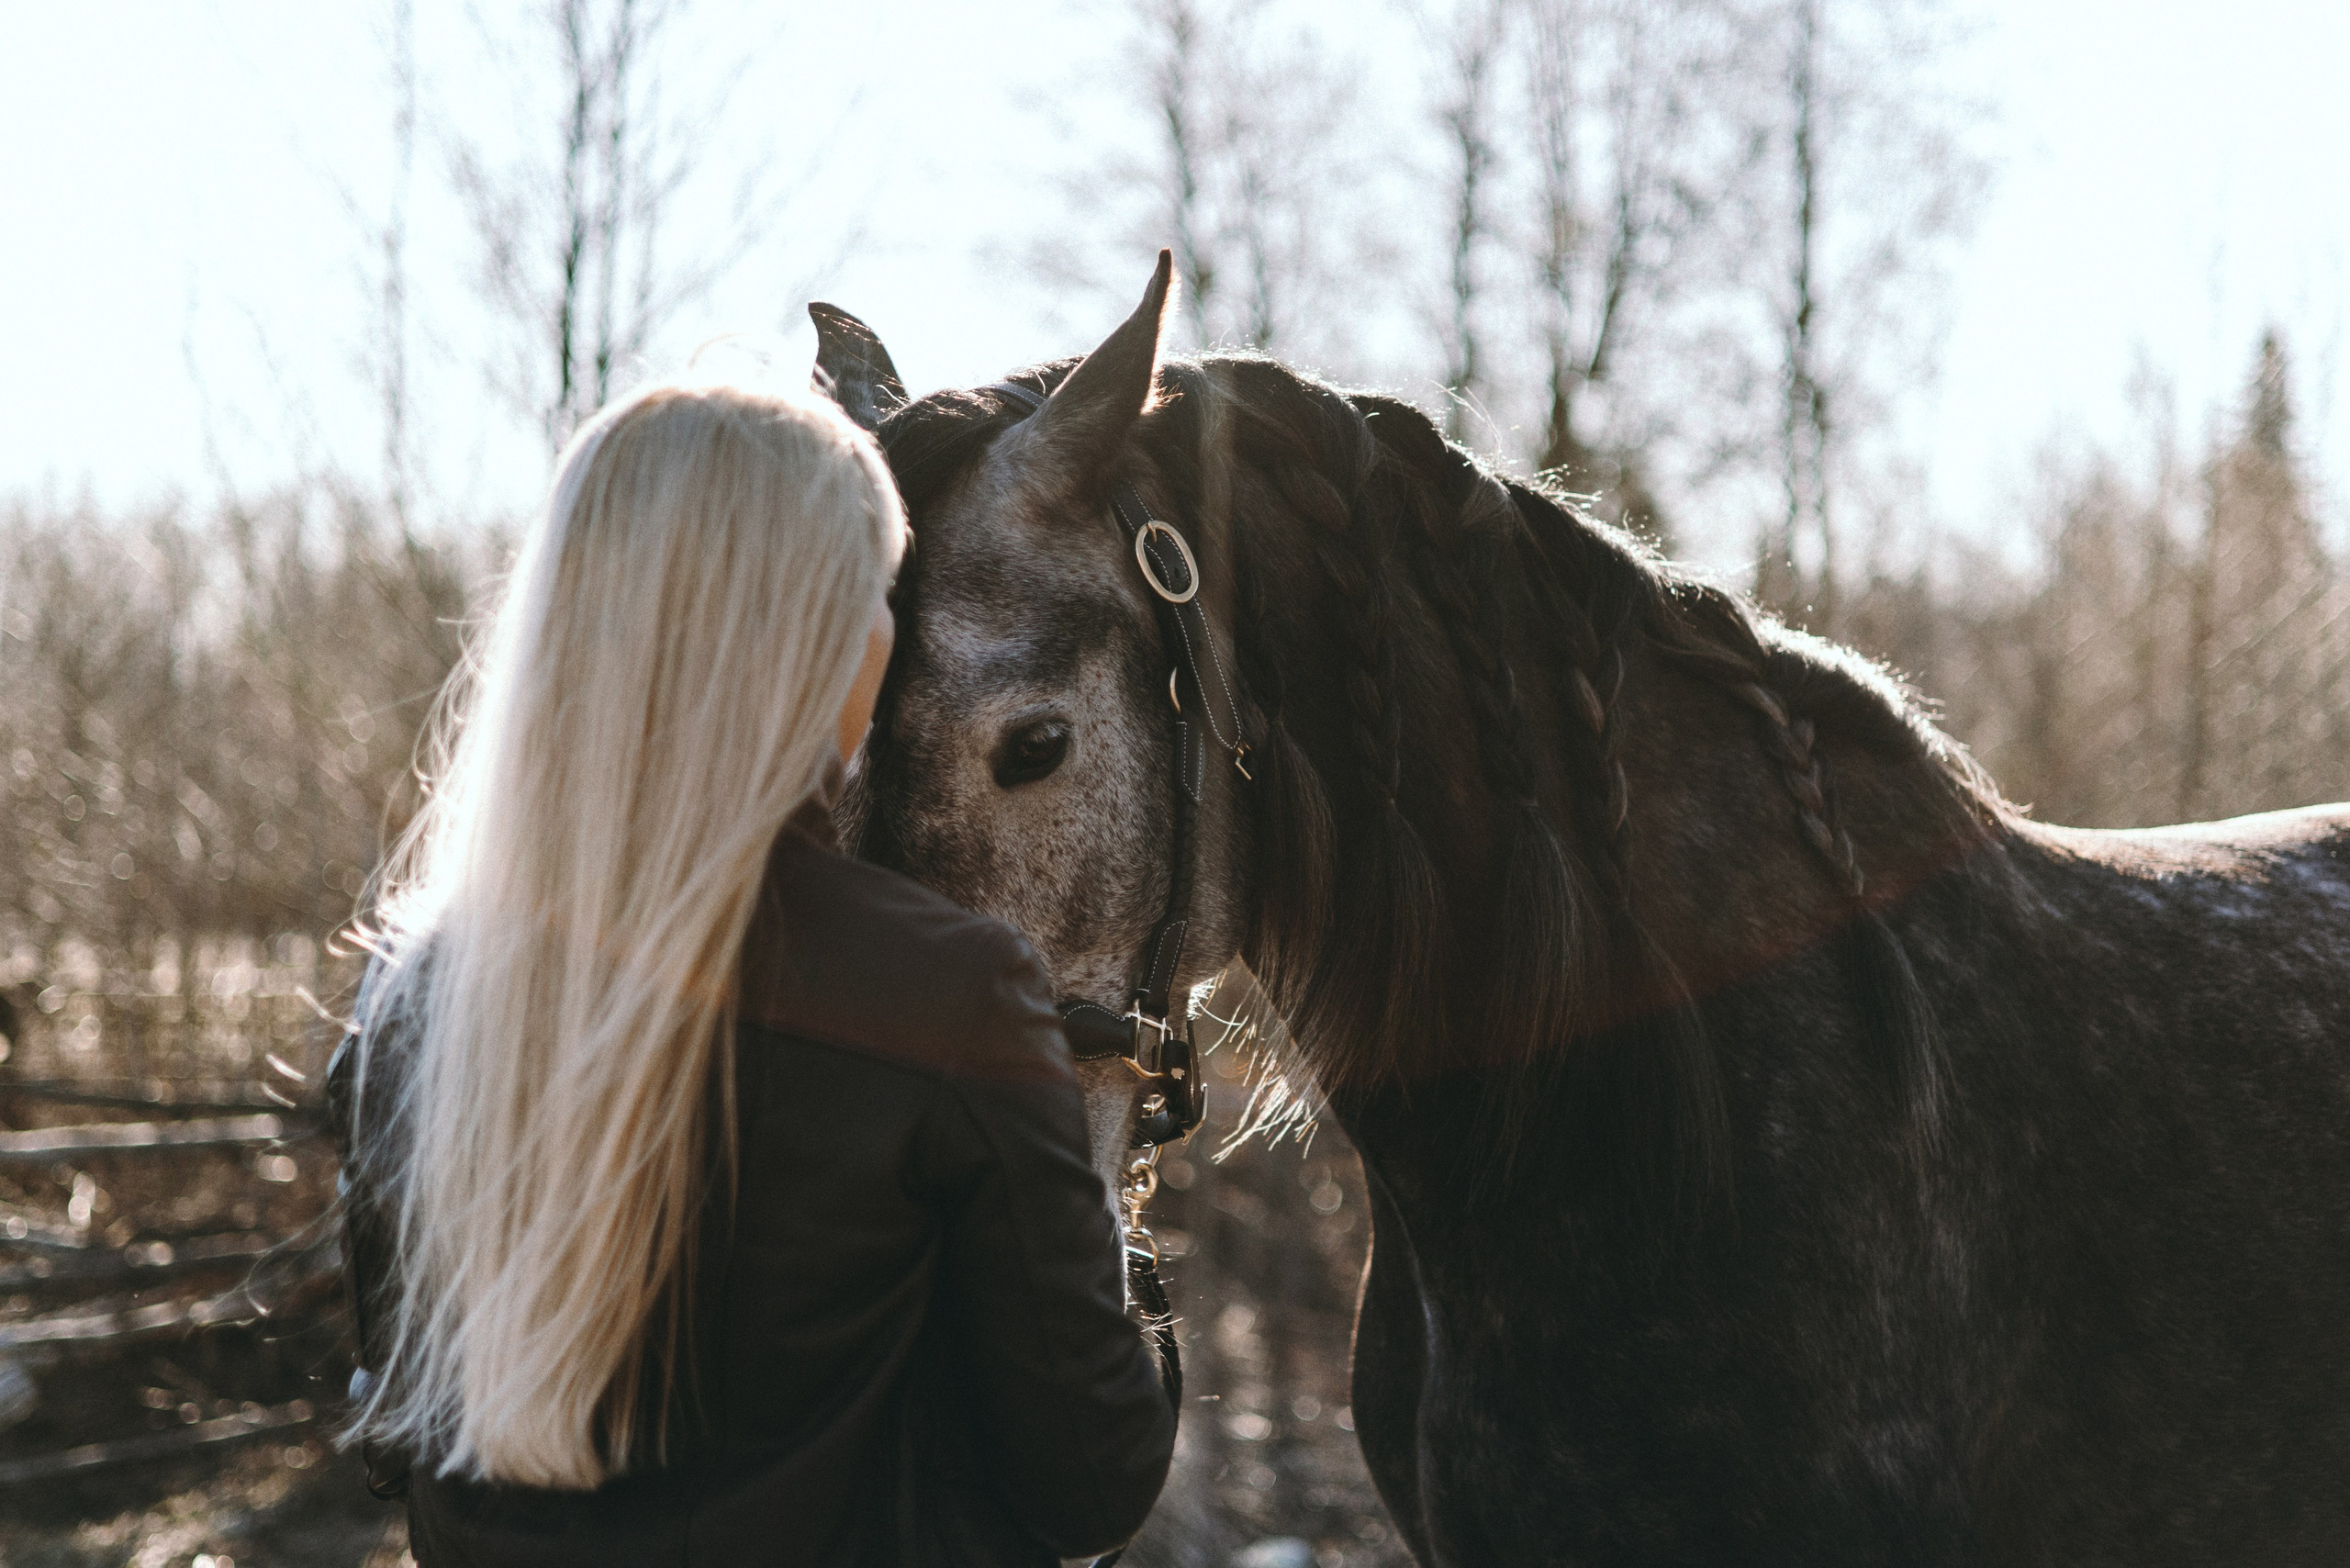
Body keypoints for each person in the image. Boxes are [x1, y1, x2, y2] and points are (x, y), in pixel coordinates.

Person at [328, 377, 1176, 1565]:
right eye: (873, 596)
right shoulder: (948, 995)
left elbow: (399, 1427)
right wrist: (1116, 1265)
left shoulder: (410, 1004)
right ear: (814, 645)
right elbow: (1093, 1481)